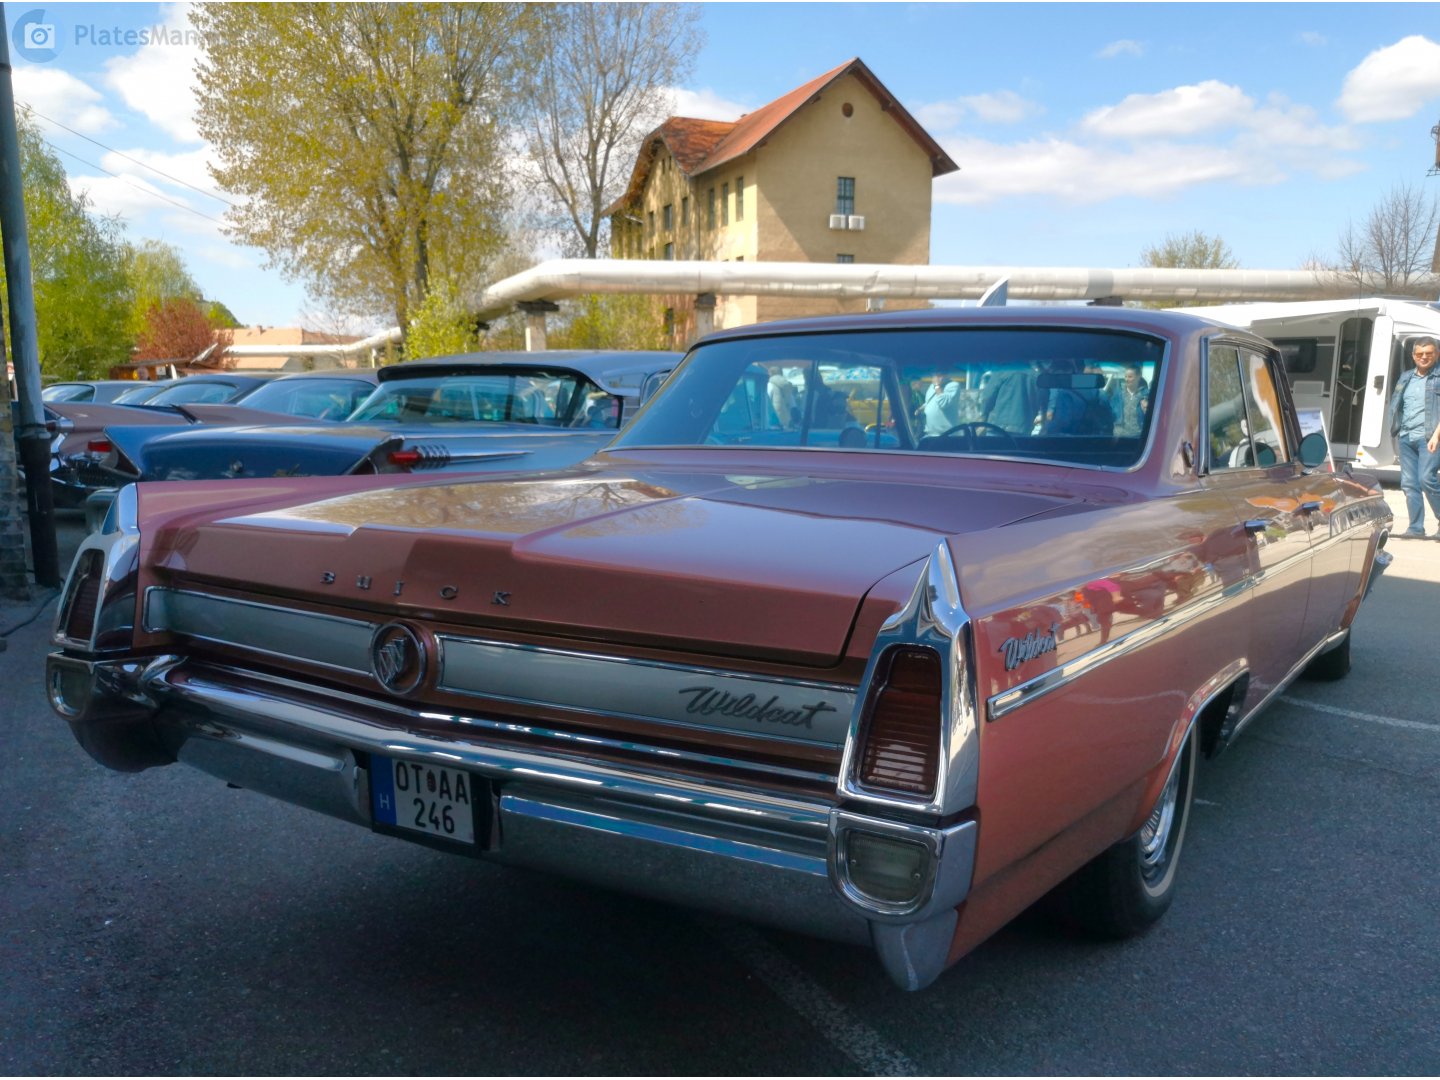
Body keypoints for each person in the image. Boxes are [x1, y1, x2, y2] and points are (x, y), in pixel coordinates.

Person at [1387, 336, 1440, 538]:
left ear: (1437, 354)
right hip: (1406, 436)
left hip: (1430, 437)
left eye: (1428, 353)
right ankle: (1416, 528)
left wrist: (1436, 436)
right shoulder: (1406, 376)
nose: (1424, 357)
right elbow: (1399, 405)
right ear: (1413, 355)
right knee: (1409, 484)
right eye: (1419, 354)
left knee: (1427, 479)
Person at [981, 364, 1042, 434]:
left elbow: (988, 397)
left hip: (998, 427)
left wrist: (984, 416)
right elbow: (1041, 401)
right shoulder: (1036, 376)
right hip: (1024, 429)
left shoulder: (1001, 371)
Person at [1109, 363, 1150, 437]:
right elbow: (1110, 412)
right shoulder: (1118, 394)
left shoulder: (1146, 395)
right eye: (1125, 376)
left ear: (1138, 376)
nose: (1126, 379)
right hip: (1119, 437)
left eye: (1130, 377)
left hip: (1139, 438)